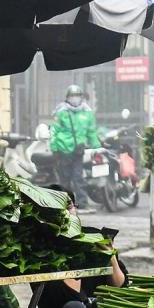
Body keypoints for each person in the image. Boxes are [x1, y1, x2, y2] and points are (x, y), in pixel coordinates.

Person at [49, 84, 98, 212]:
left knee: (78, 177)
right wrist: (54, 148)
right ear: (67, 97)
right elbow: (54, 131)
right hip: (63, 149)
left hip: (78, 150)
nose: (75, 98)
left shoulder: (87, 113)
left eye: (77, 95)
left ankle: (82, 203)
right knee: (65, 179)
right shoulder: (61, 112)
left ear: (81, 97)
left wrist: (96, 146)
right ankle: (65, 204)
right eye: (72, 96)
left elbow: (91, 132)